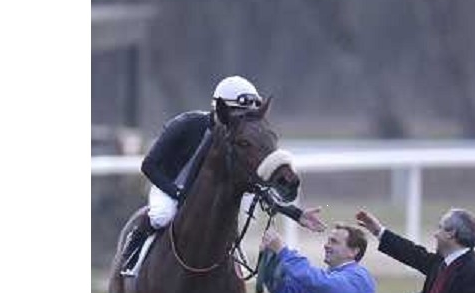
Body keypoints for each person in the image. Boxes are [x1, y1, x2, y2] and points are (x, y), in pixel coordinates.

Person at [120, 75, 325, 274]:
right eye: (239, 115)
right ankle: (132, 256)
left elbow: (258, 187)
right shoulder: (185, 124)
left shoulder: (234, 142)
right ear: (220, 110)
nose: (244, 123)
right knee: (161, 216)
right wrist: (178, 193)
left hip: (207, 192)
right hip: (169, 185)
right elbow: (148, 166)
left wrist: (296, 214)